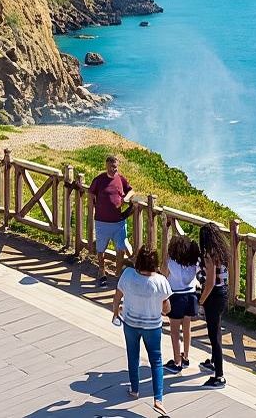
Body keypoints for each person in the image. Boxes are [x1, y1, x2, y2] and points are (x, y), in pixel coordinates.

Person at [111, 245, 172, 414]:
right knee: (156, 360)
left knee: (133, 356)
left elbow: (117, 297)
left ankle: (134, 389)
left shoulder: (128, 274)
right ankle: (158, 399)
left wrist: (116, 313)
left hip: (130, 323)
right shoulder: (161, 281)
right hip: (152, 326)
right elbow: (167, 309)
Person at [89, 154, 133, 285]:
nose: (113, 169)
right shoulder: (99, 179)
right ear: (106, 166)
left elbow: (131, 190)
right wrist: (92, 205)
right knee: (101, 249)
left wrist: (126, 198)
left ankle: (118, 273)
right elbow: (91, 192)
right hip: (102, 221)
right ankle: (101, 270)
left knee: (120, 249)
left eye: (115, 167)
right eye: (111, 167)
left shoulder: (121, 179)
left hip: (118, 222)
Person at [197, 223, 231, 388]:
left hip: (213, 295)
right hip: (223, 292)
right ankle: (212, 361)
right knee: (216, 329)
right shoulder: (222, 252)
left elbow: (209, 283)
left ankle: (219, 376)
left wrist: (201, 301)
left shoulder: (209, 255)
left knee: (213, 335)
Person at [163, 235, 200, 373]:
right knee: (186, 328)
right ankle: (186, 357)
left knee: (174, 332)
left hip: (176, 296)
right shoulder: (193, 263)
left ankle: (177, 361)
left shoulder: (171, 262)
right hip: (191, 296)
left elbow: (163, 273)